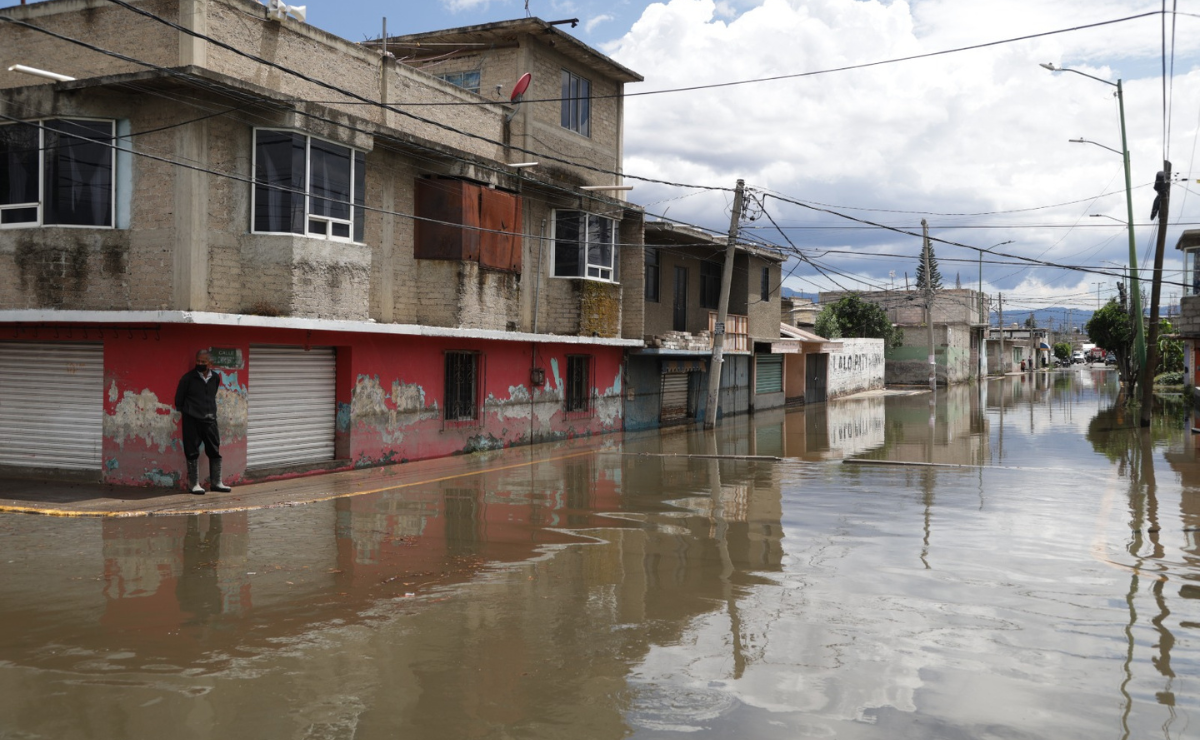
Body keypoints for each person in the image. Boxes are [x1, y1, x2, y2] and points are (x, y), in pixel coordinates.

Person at [174, 350, 232, 495]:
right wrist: (190, 412)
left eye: (203, 362)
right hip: (192, 420)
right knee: (192, 451)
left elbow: (212, 395)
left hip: (210, 419)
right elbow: (179, 400)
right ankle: (194, 485)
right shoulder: (188, 378)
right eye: (198, 361)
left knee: (214, 450)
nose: (200, 364)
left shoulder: (215, 378)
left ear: (210, 364)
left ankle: (216, 483)